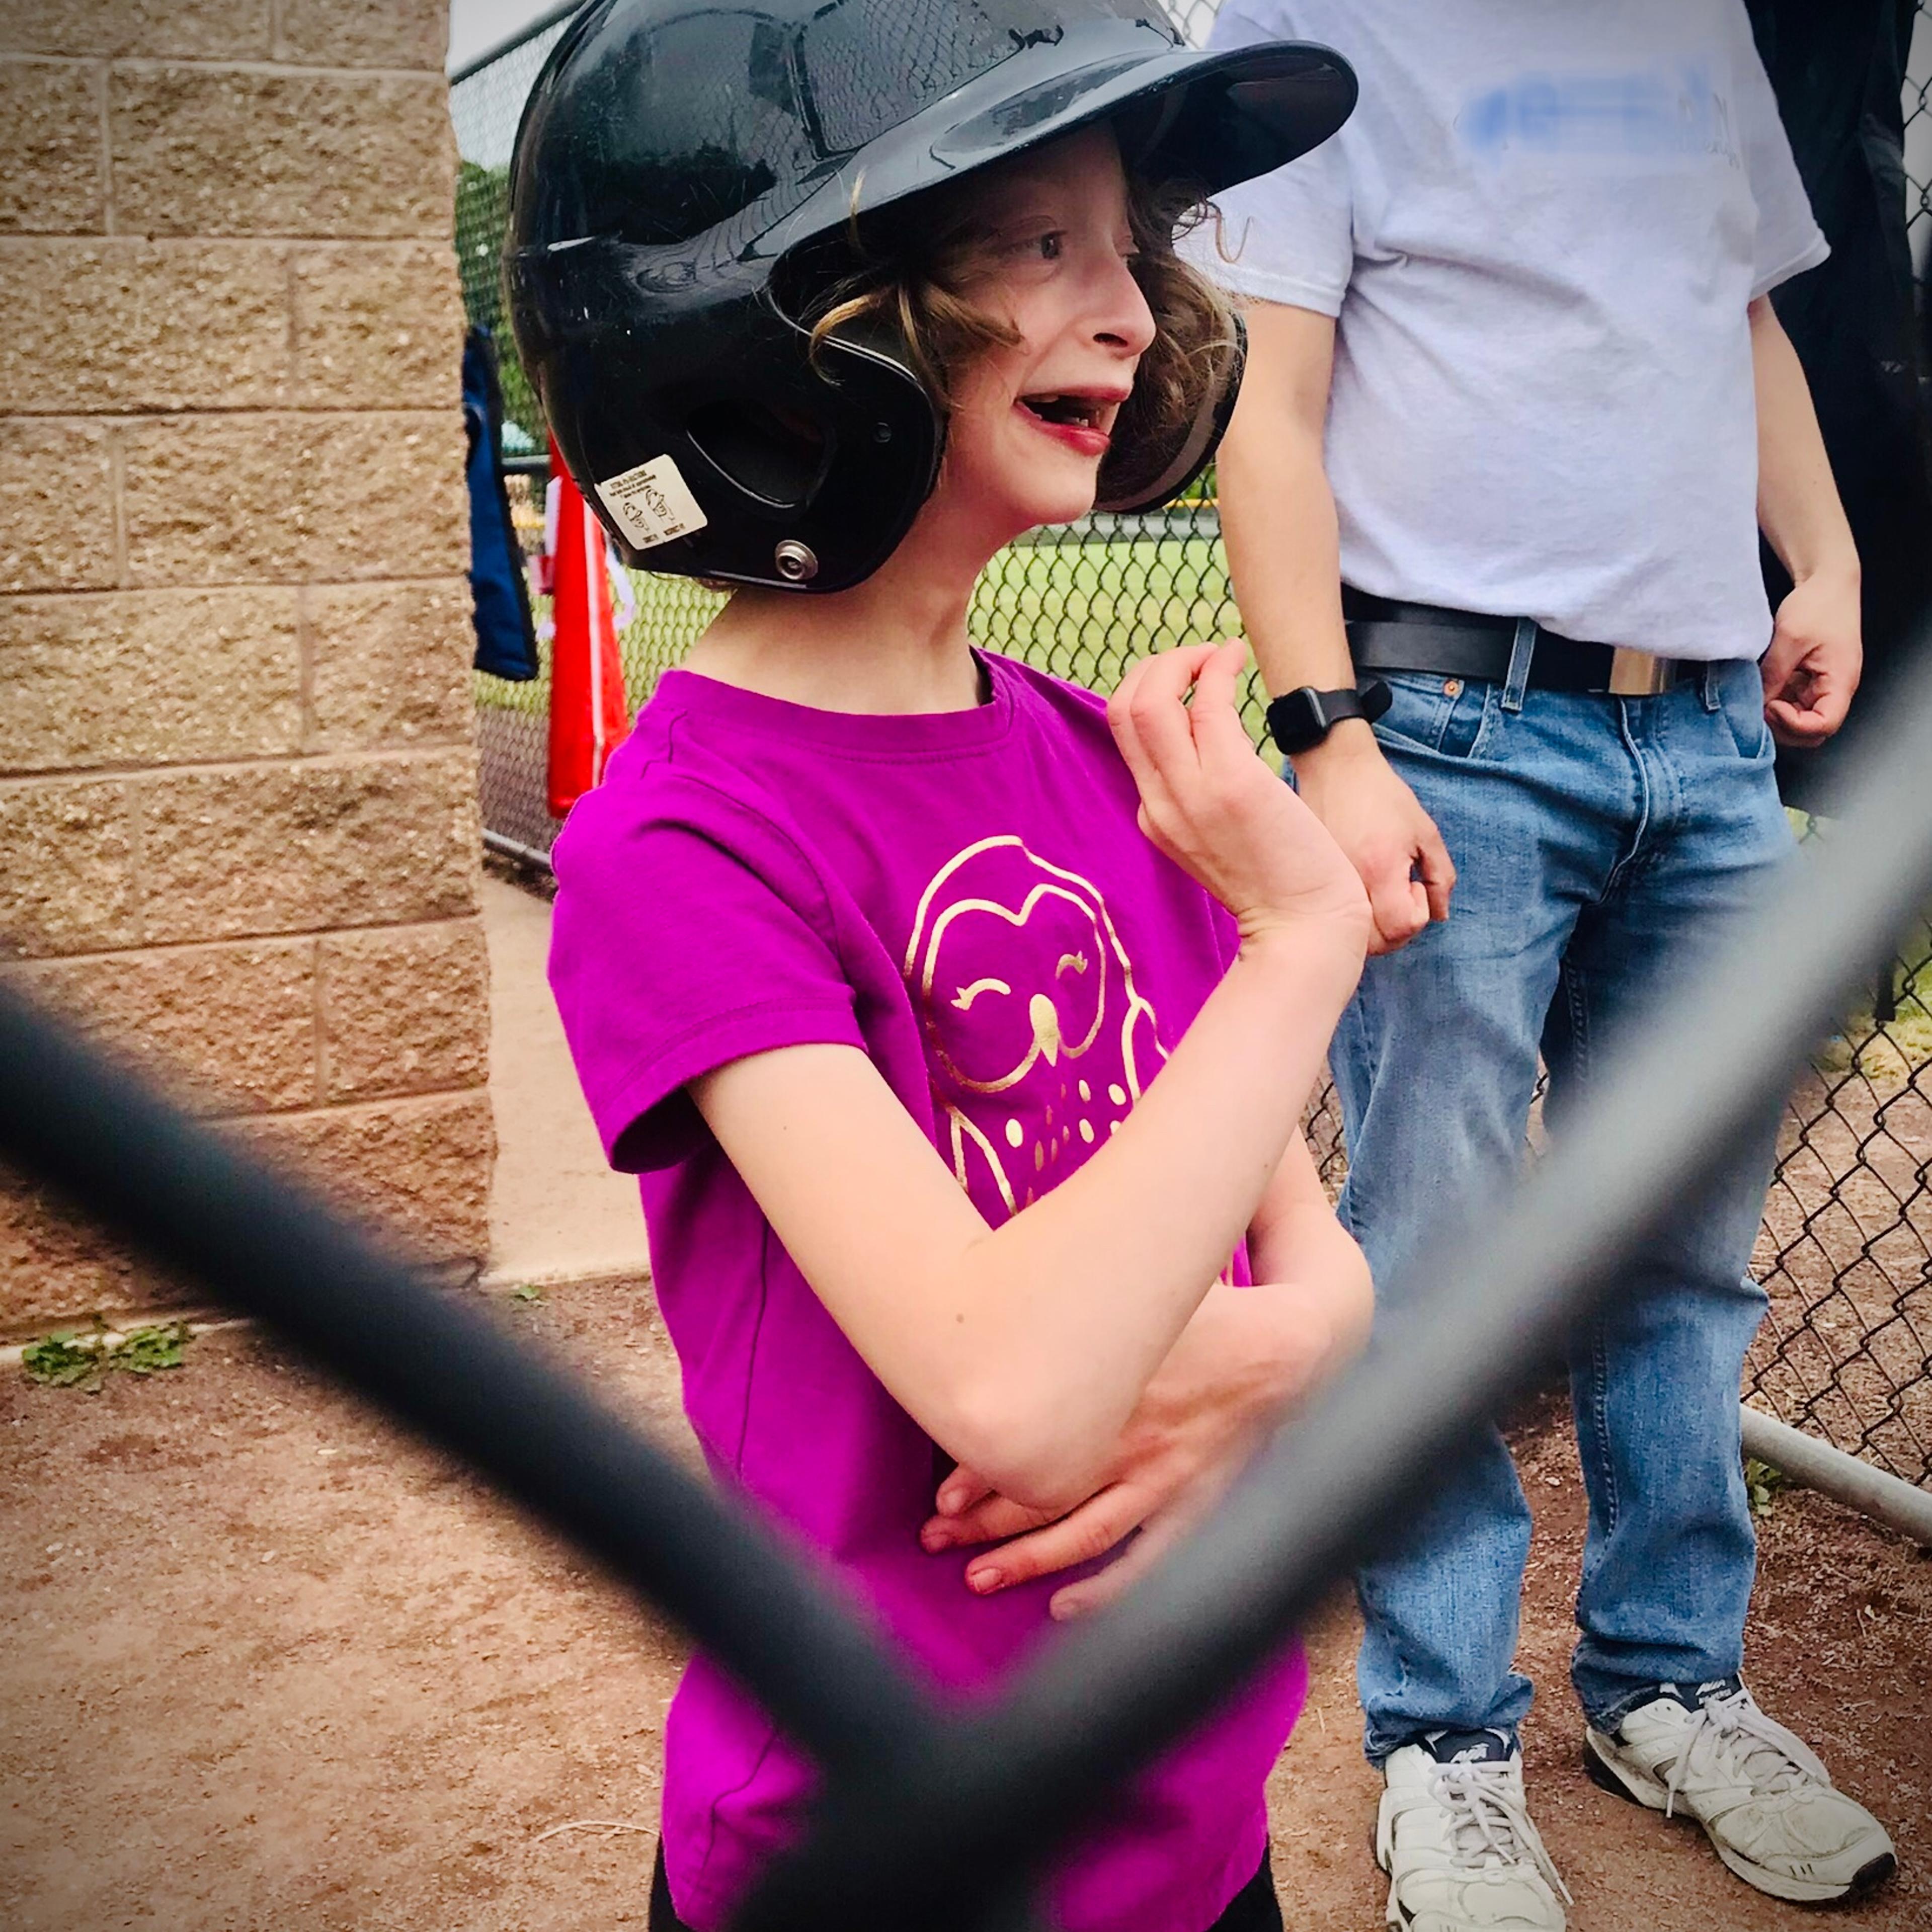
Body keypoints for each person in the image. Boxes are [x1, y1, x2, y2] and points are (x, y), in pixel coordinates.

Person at [508, 4, 1374, 1927]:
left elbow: (1305, 1254)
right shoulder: (682, 842)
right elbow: (1020, 1400)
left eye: (1126, 246)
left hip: (1191, 1818)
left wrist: (1296, 1343)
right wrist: (1299, 938)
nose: (1134, 311)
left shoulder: (1089, 750)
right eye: (1034, 242)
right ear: (792, 319)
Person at [1192, 2, 1899, 1926]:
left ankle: (1669, 1685)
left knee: (1684, 1244)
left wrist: (1822, 557)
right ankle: (1440, 1734)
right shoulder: (1316, 24)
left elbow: (1740, 315)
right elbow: (1272, 396)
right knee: (1437, 1256)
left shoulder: (1690, 26)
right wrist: (1325, 731)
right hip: (1451, 730)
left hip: (1711, 741)